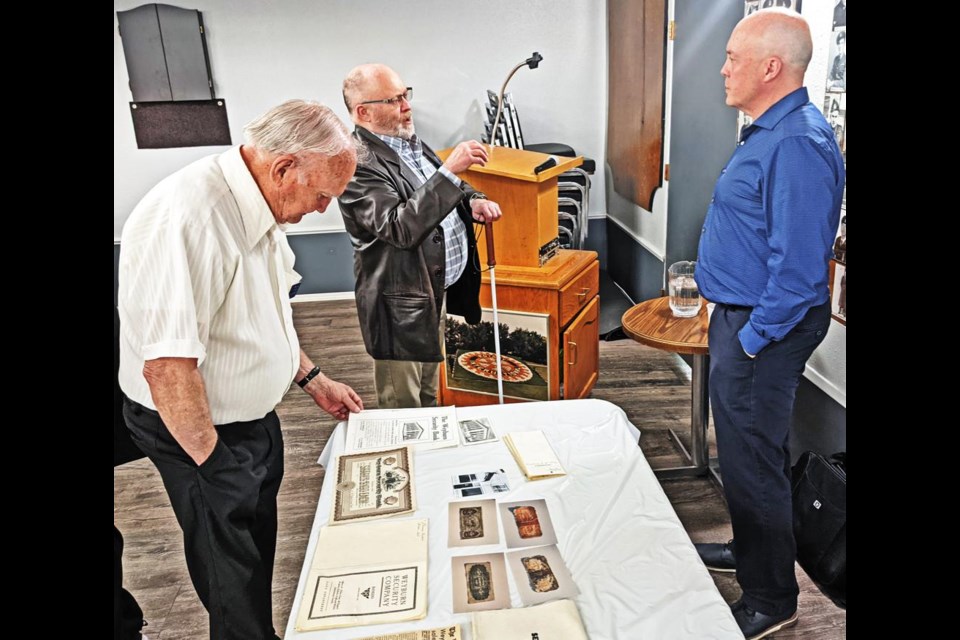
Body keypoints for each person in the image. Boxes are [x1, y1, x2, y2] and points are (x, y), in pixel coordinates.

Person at [117, 99, 365, 640]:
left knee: (252, 552)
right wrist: (213, 465)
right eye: (322, 194)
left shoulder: (261, 201)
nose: (323, 209)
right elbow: (167, 364)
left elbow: (263, 314)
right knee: (229, 566)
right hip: (198, 428)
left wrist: (311, 378)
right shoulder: (190, 216)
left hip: (247, 419)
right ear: (283, 168)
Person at [693, 9, 845, 640]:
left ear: (771, 67)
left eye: (732, 56)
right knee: (747, 453)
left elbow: (800, 272)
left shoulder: (797, 143)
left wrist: (750, 341)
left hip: (765, 328)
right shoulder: (770, 130)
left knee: (752, 460)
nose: (724, 67)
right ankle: (755, 552)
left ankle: (771, 598)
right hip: (744, 320)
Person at [338, 64, 503, 408]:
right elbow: (399, 227)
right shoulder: (357, 162)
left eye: (405, 94)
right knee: (404, 406)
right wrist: (450, 170)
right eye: (393, 99)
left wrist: (473, 199)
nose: (406, 105)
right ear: (363, 112)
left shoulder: (407, 142)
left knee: (430, 395)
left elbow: (437, 186)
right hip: (401, 308)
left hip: (431, 294)